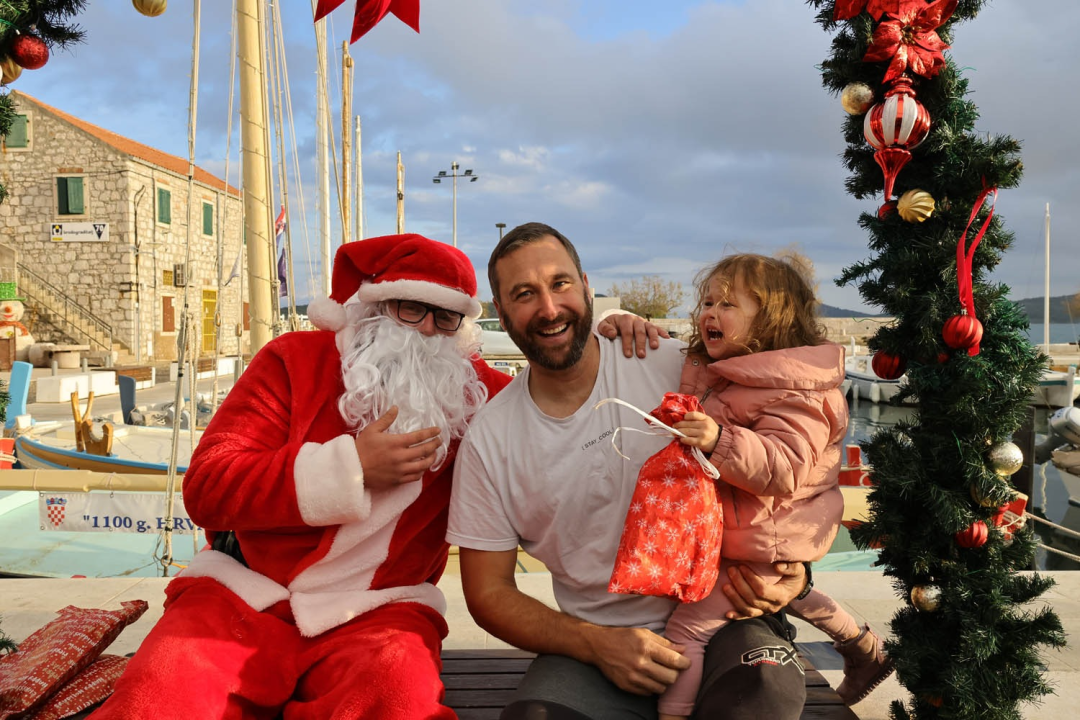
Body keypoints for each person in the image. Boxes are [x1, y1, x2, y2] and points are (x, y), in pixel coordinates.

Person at [92, 234, 516, 719]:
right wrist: (352, 468)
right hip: (242, 594)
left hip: (381, 610)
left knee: (399, 701)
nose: (426, 330)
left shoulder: (478, 395)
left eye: (445, 317)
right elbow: (208, 486)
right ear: (373, 308)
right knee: (159, 695)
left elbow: (561, 408)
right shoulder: (293, 360)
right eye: (410, 309)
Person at [448, 223, 811, 720]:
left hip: (725, 617)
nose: (549, 308)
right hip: (596, 642)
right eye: (524, 294)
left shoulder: (676, 364)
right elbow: (488, 593)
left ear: (586, 286)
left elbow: (790, 451)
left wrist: (796, 573)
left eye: (560, 283)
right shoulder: (490, 439)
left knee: (764, 686)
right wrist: (594, 644)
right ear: (500, 310)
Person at [655, 253, 893, 719]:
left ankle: (672, 714)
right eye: (707, 303)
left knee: (685, 632)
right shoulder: (737, 374)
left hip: (765, 535)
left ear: (772, 320)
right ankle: (864, 646)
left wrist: (720, 440)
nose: (710, 313)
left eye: (727, 305)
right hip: (758, 535)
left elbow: (786, 467)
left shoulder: (793, 388)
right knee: (784, 588)